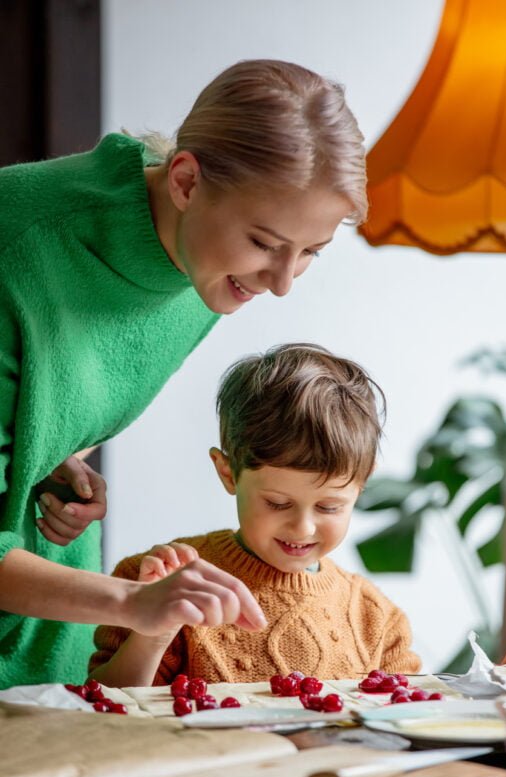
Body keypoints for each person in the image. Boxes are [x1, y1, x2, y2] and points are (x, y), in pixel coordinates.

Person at [0, 60, 366, 689]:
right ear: (186, 181)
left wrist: (46, 457)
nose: (281, 284)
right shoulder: (19, 246)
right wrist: (129, 604)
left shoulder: (211, 266)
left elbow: (54, 393)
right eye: (265, 243)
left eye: (310, 253)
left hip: (43, 644)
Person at [89, 344, 506, 687]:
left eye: (329, 507)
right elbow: (102, 713)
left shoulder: (376, 619)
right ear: (228, 472)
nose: (302, 527)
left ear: (361, 485)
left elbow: (411, 714)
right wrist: (154, 629)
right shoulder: (162, 581)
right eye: (277, 504)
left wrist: (491, 687)